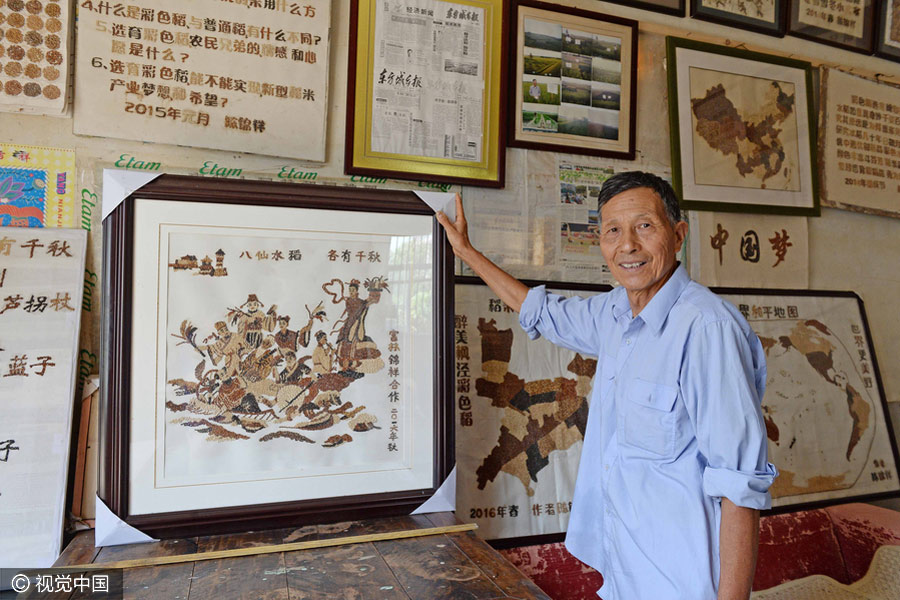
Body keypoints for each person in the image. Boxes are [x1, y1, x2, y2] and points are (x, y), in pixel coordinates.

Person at [435, 171, 777, 600]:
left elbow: (739, 484)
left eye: (644, 226)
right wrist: (467, 252)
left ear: (678, 235)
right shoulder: (615, 313)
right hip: (622, 570)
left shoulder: (707, 329)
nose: (627, 245)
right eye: (613, 231)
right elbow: (539, 311)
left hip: (683, 580)